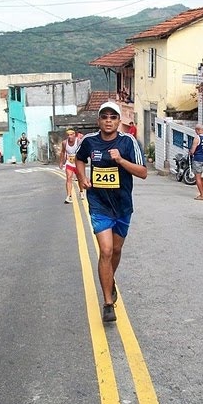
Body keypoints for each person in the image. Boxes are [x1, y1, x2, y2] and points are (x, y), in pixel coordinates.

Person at [75, 101, 147, 322]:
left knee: (116, 250)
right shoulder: (89, 141)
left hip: (123, 205)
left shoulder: (128, 142)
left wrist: (120, 160)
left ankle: (109, 278)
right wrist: (82, 178)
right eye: (104, 117)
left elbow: (143, 172)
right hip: (99, 204)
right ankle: (108, 302)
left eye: (113, 117)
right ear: (99, 120)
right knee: (105, 251)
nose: (108, 121)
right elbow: (79, 159)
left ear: (118, 121)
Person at [59, 128, 84, 203]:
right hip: (69, 162)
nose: (70, 136)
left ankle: (81, 191)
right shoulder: (64, 143)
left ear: (74, 135)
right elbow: (63, 152)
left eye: (71, 134)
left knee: (80, 178)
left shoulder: (78, 141)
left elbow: (83, 151)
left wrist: (83, 161)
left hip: (78, 163)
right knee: (69, 178)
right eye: (68, 135)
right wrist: (61, 162)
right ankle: (69, 196)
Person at [189, 124, 203, 201]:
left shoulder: (197, 138)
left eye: (196, 131)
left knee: (198, 177)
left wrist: (190, 152)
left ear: (198, 130)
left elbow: (193, 151)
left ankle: (202, 195)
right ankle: (202, 193)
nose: (196, 132)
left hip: (198, 159)